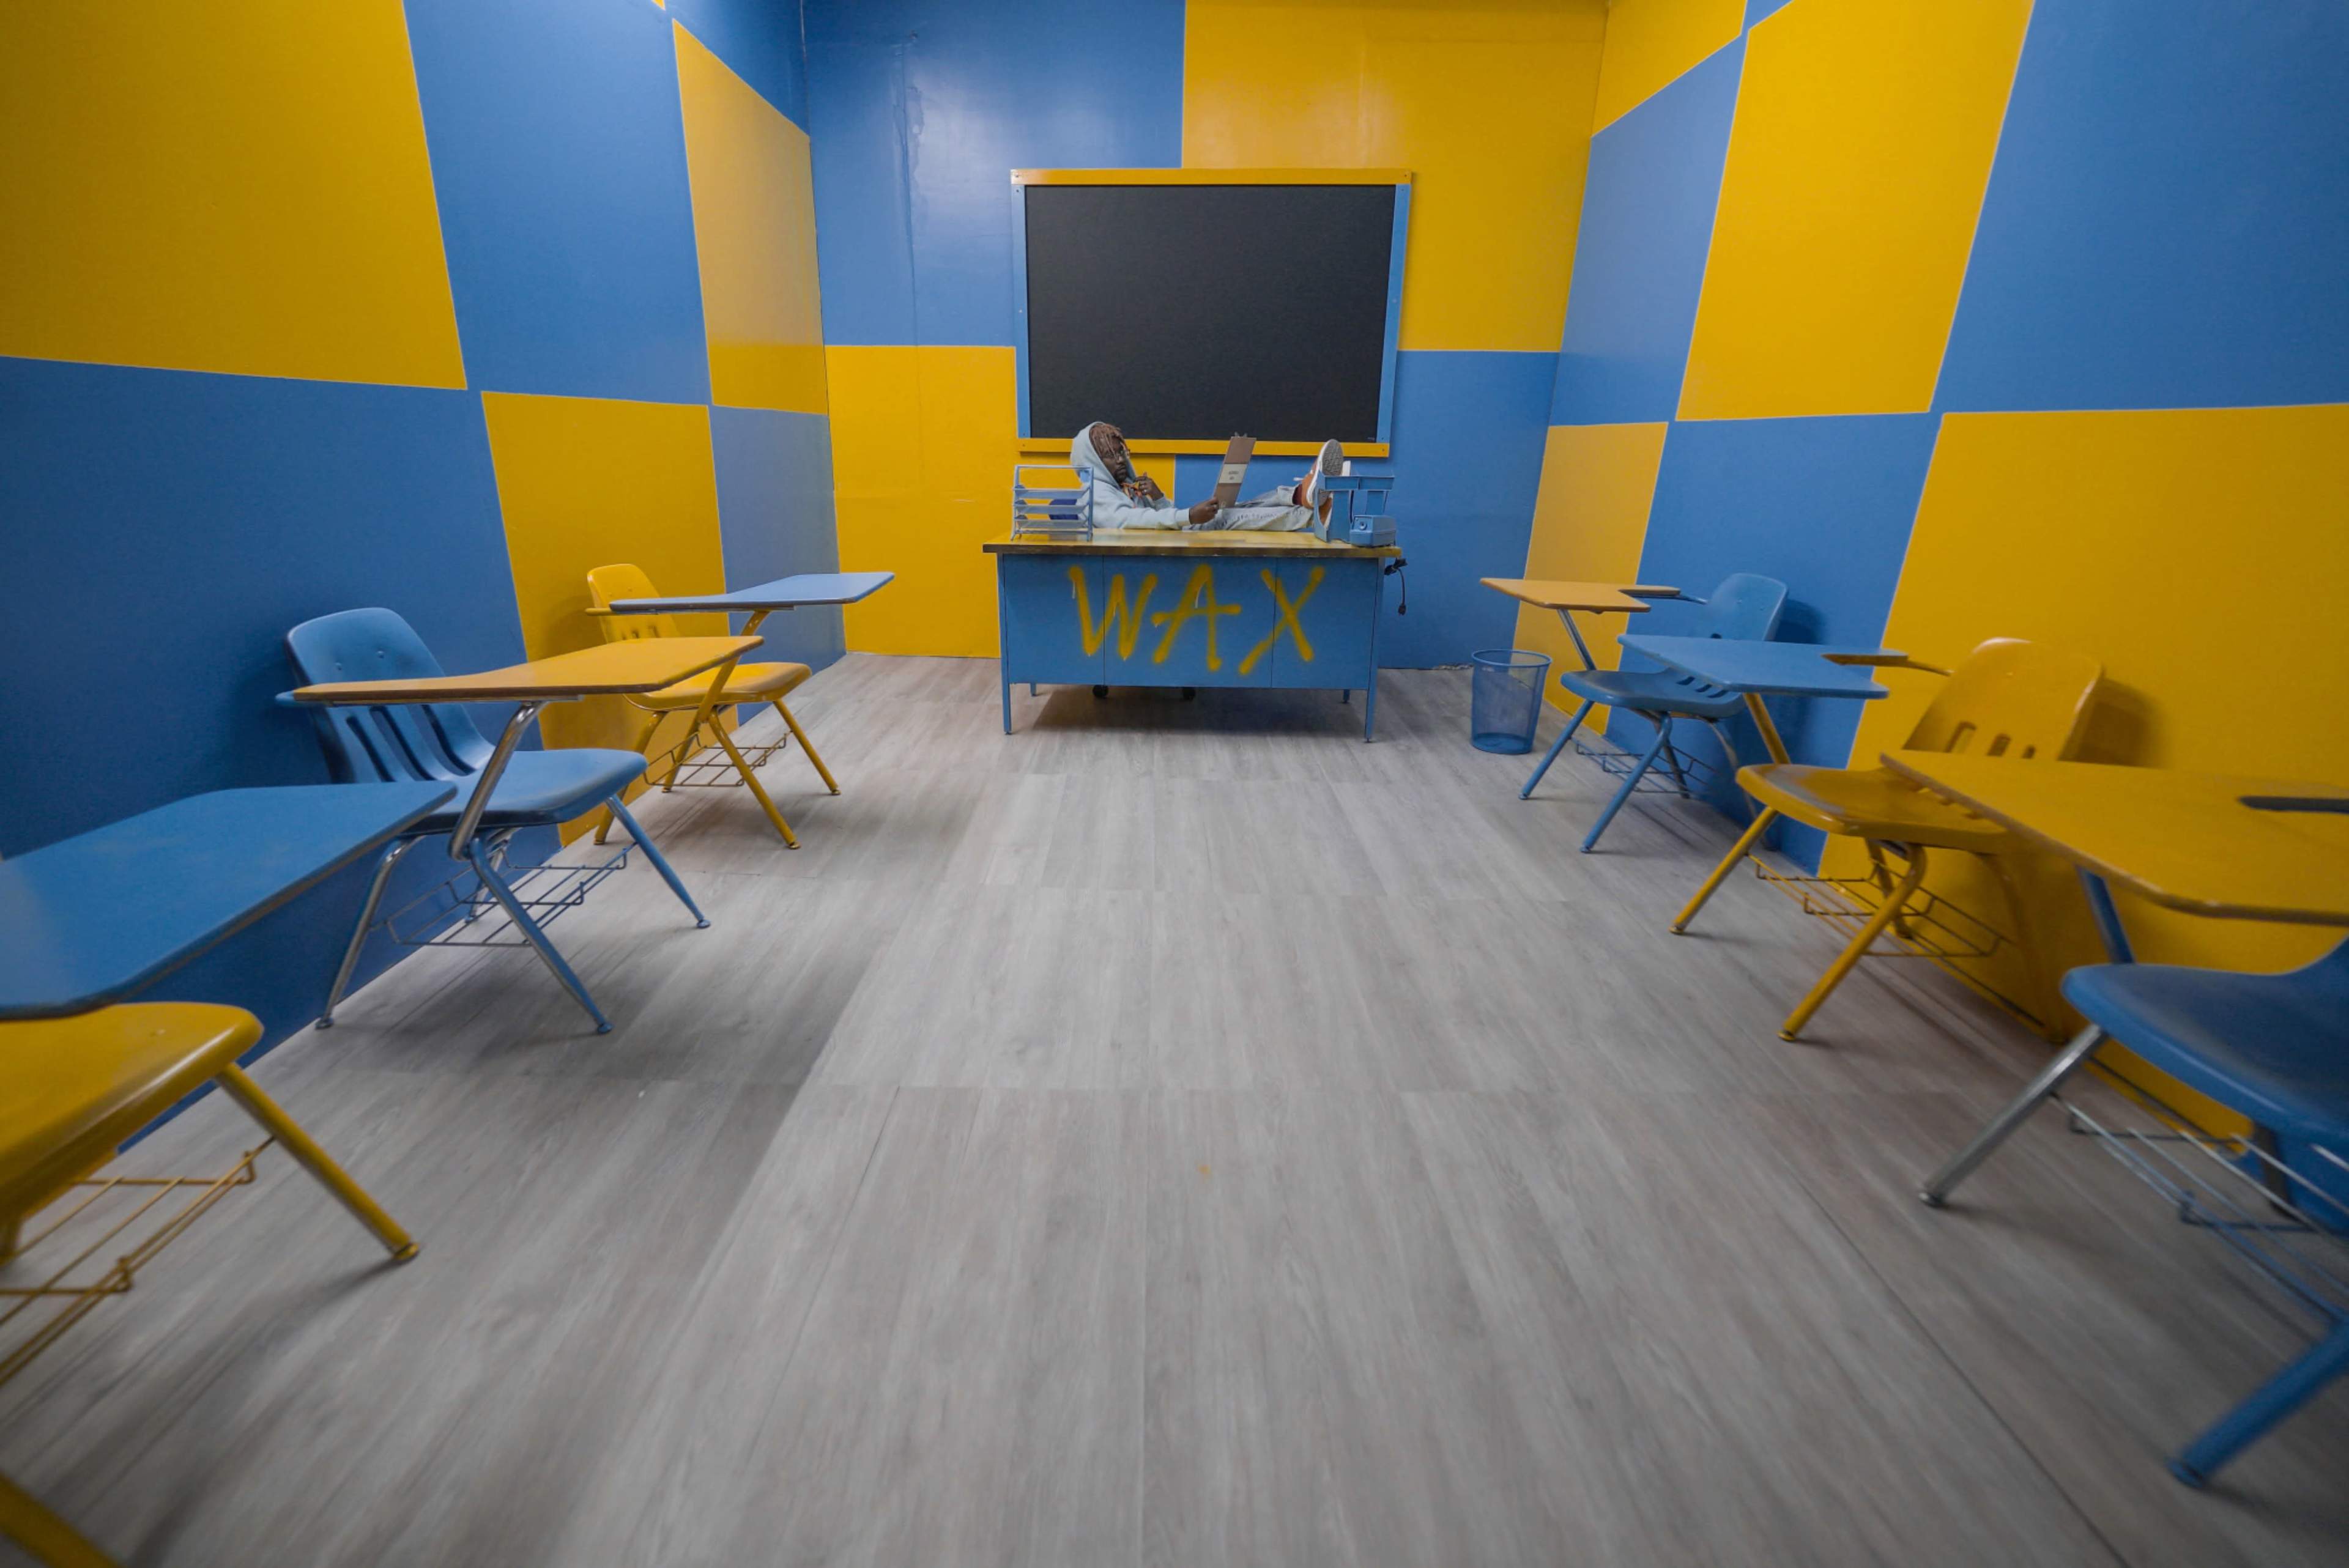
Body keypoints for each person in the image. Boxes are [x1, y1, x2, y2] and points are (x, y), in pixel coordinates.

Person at [1071, 422, 1342, 532]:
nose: (1120, 460)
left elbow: (1163, 516)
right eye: (1110, 455)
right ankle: (1314, 514)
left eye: (1121, 452)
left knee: (1236, 509)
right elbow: (1130, 521)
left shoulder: (1125, 488)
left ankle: (1299, 495)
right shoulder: (1095, 494)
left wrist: (1159, 497)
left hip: (1177, 534)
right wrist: (1189, 516)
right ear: (1092, 461)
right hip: (1177, 540)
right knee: (1226, 518)